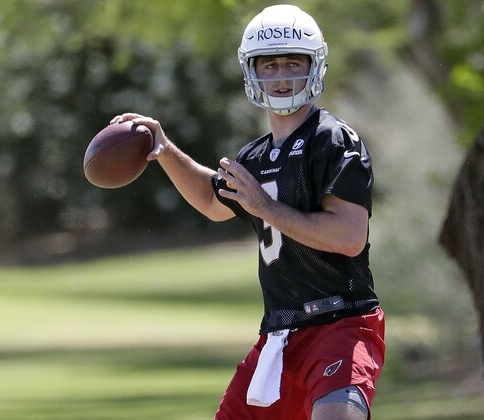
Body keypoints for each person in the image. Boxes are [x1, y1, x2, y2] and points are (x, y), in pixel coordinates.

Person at [111, 4, 385, 419]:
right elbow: (209, 200)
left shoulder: (332, 140)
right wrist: (164, 150)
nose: (281, 75)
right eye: (269, 65)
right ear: (252, 71)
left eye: (293, 62)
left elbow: (349, 238)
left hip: (339, 323)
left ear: (315, 65)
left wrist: (265, 207)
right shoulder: (255, 156)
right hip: (279, 333)